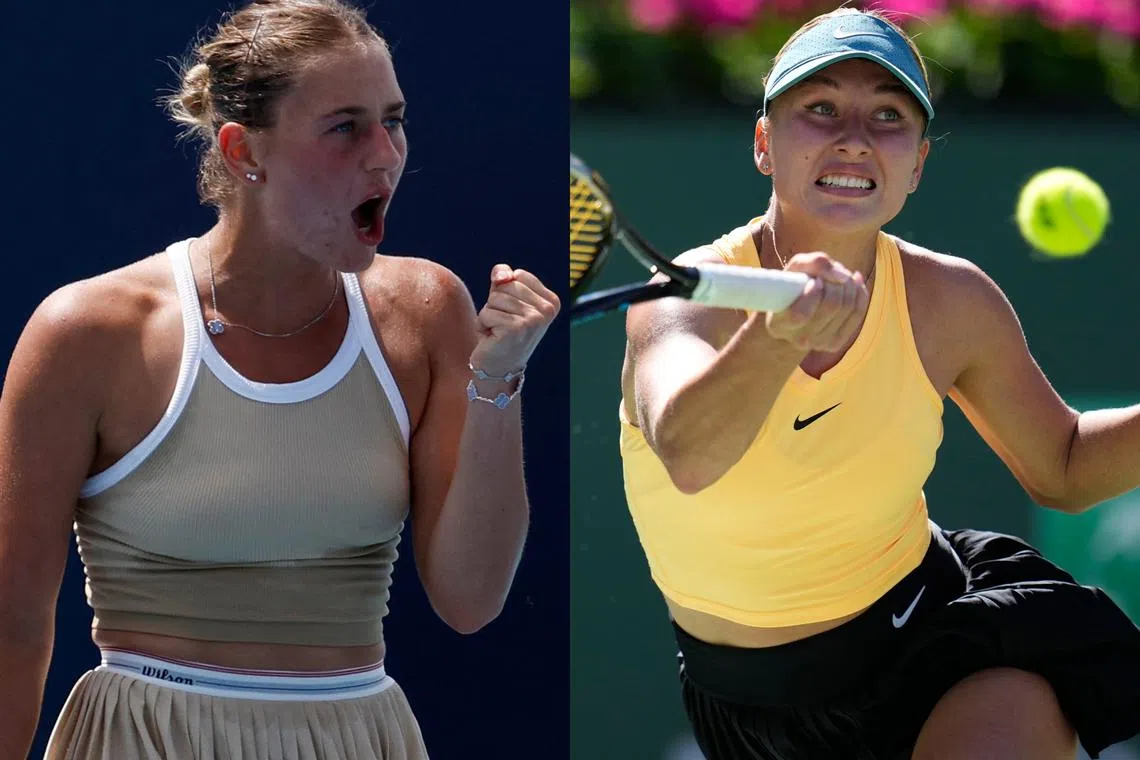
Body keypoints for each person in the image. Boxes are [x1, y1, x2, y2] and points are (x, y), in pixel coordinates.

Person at [0, 1, 558, 758]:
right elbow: (14, 619)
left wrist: (498, 385)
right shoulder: (88, 332)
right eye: (345, 127)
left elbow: (471, 599)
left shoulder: (427, 311)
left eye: (393, 120)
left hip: (359, 735)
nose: (385, 155)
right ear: (241, 151)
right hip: (144, 737)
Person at [619, 7, 1140, 759]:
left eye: (888, 115)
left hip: (937, 640)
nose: (855, 136)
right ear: (765, 144)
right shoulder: (681, 300)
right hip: (748, 702)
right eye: (821, 107)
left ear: (918, 163)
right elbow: (690, 454)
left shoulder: (952, 300)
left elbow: (1062, 465)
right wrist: (777, 339)